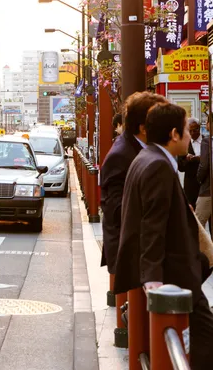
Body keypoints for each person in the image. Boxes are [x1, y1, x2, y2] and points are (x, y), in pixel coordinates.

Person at [114, 103, 213, 369]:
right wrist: (153, 279)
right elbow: (152, 226)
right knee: (205, 340)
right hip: (175, 276)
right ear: (173, 134)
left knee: (190, 343)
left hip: (174, 273)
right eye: (185, 130)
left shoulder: (147, 157)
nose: (190, 136)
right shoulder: (158, 165)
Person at [100, 91, 166, 273]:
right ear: (144, 127)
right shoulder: (121, 155)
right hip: (132, 250)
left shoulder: (141, 147)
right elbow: (116, 209)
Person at [178, 118, 202, 209]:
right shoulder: (185, 144)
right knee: (192, 212)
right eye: (190, 131)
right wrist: (187, 160)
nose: (192, 133)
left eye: (195, 130)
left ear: (199, 128)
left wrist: (199, 159)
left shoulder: (206, 141)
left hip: (205, 185)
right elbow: (180, 167)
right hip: (190, 185)